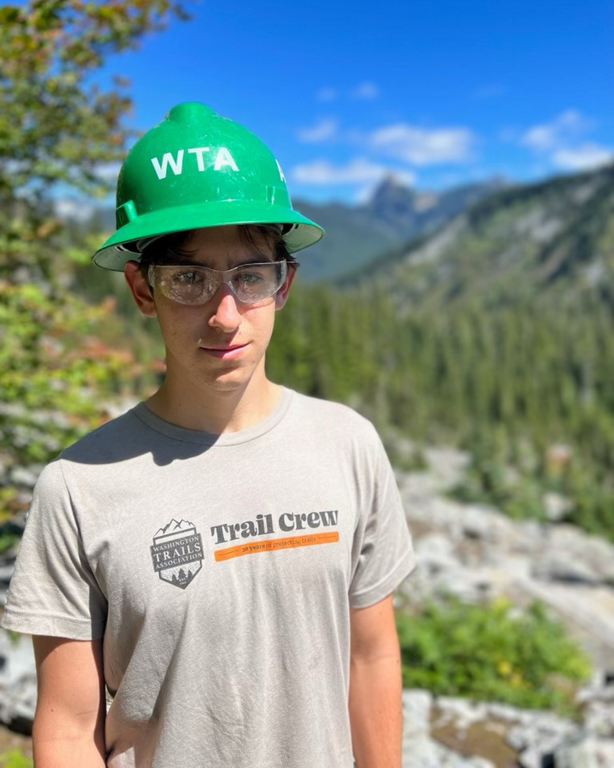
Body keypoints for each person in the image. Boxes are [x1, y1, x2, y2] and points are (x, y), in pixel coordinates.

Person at [2, 102, 415, 768]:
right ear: (142, 288)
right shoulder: (77, 490)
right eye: (188, 278)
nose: (224, 315)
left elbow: (371, 655)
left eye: (250, 276)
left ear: (284, 285)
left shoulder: (349, 445)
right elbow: (68, 728)